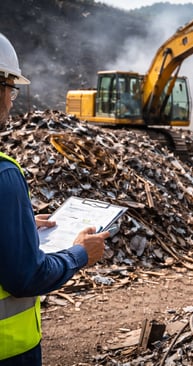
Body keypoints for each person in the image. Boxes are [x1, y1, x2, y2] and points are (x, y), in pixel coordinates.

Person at [0, 33, 110, 365]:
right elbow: (26, 277)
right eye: (11, 89)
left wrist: (16, 227)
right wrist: (79, 253)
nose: (10, 100)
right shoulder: (4, 176)